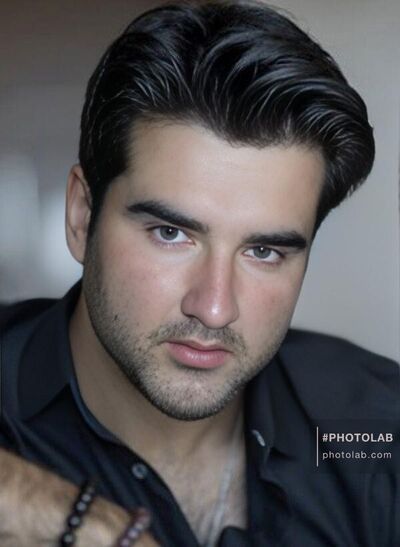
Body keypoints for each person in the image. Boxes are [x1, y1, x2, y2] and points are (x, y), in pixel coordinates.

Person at [0, 1, 399, 546]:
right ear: (81, 216)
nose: (214, 308)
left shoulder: (370, 429)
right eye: (171, 233)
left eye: (264, 251)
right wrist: (79, 522)